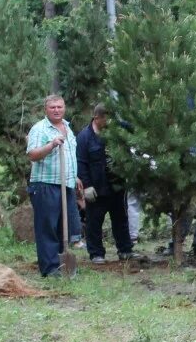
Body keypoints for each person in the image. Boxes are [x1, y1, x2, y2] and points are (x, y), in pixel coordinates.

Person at [26, 94, 82, 277]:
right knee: (47, 227)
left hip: (65, 183)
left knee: (61, 227)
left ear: (64, 108)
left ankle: (60, 265)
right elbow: (32, 154)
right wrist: (51, 145)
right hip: (45, 184)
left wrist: (76, 177)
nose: (57, 110)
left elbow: (71, 156)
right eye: (53, 108)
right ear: (46, 110)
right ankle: (49, 268)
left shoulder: (67, 127)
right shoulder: (40, 129)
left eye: (60, 107)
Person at [77, 103, 134, 264]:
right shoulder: (84, 137)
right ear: (97, 118)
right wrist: (86, 186)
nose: (111, 122)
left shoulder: (116, 130)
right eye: (107, 119)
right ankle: (96, 253)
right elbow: (81, 163)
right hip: (96, 188)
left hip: (117, 185)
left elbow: (135, 130)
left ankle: (125, 249)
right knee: (94, 221)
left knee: (121, 219)